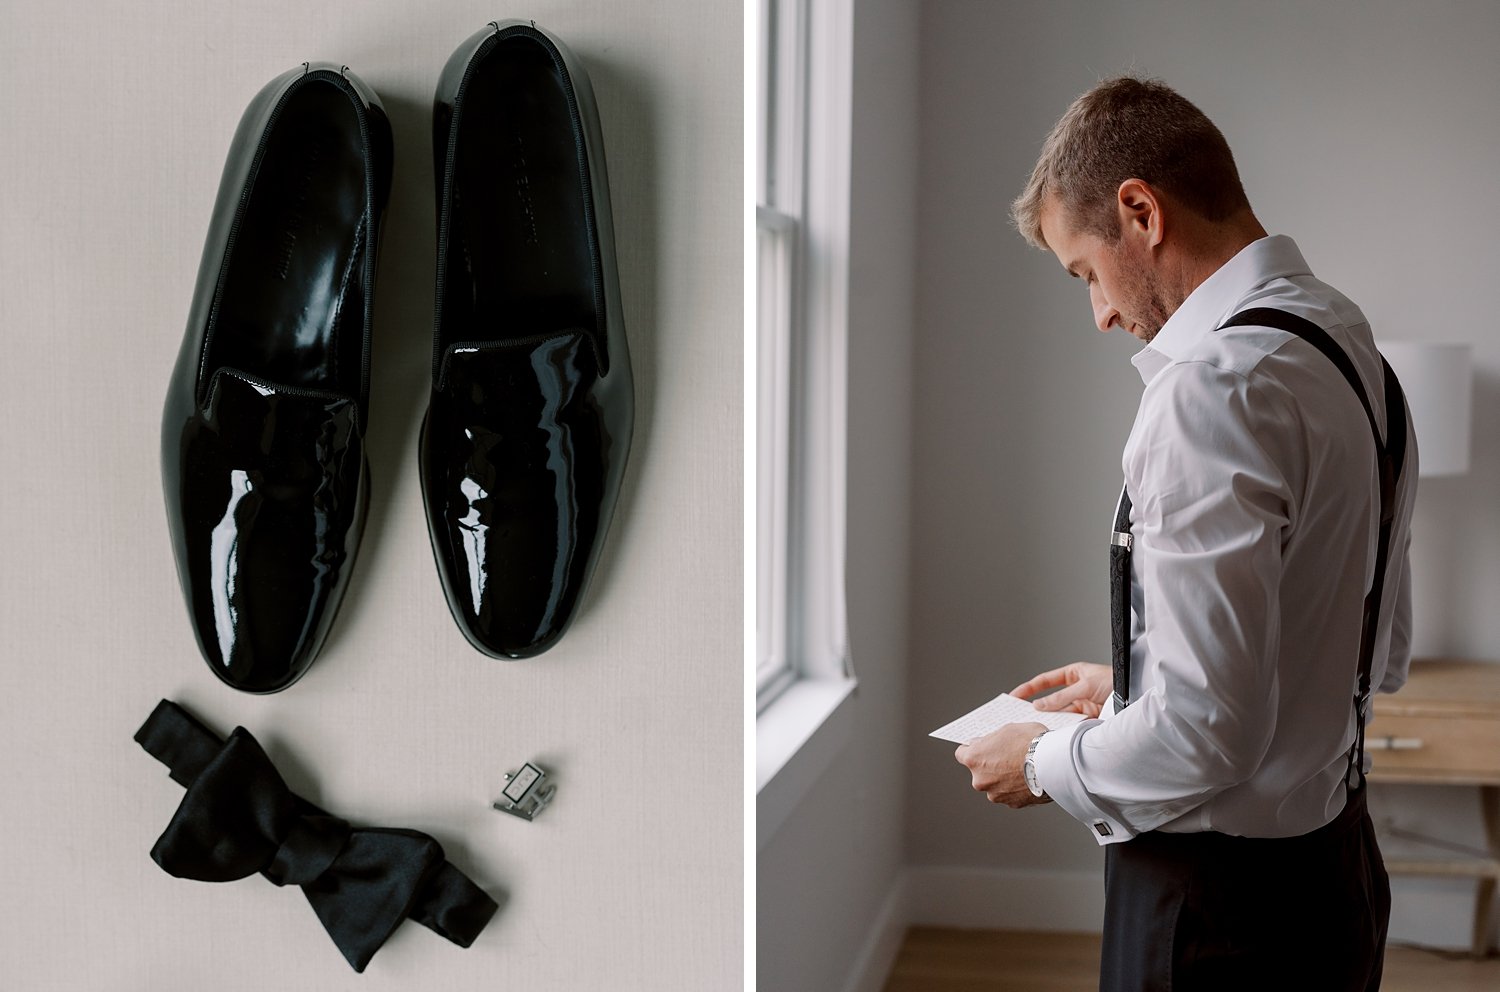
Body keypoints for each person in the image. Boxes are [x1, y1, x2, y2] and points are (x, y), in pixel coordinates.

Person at [952, 76, 1418, 991]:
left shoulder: (1210, 391)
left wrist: (1043, 763)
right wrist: (1132, 679)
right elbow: (1376, 649)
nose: (1102, 315)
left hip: (1216, 919)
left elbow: (1206, 734)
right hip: (1338, 882)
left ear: (1140, 212)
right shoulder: (1344, 342)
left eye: (1086, 272)